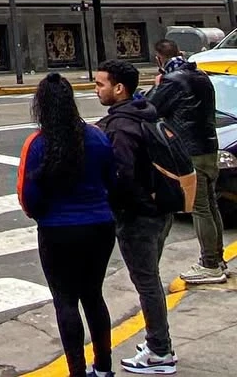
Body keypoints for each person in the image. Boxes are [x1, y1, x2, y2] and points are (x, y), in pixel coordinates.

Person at [18, 73, 117, 377]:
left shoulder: (37, 144)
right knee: (93, 295)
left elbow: (27, 196)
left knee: (65, 301)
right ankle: (103, 367)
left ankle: (77, 370)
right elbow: (111, 181)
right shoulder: (97, 136)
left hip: (56, 230)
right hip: (100, 227)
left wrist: (43, 216)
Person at [96, 59, 177, 375]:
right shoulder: (145, 112)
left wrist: (116, 207)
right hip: (160, 212)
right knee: (150, 280)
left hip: (138, 218)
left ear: (119, 88)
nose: (97, 89)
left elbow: (122, 177)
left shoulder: (121, 127)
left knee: (147, 284)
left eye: (101, 84)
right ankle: (159, 342)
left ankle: (160, 352)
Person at [147, 39, 226, 285]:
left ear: (159, 59)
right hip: (210, 146)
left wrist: (155, 86)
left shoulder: (172, 81)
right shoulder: (201, 76)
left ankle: (210, 264)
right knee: (211, 205)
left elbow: (150, 108)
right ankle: (217, 258)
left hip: (190, 151)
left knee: (200, 208)